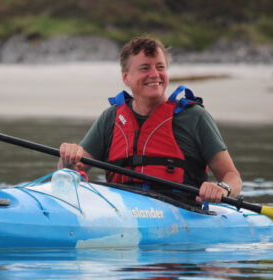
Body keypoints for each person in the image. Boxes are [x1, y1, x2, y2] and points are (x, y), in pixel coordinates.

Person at [58, 36, 241, 203]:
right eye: (145, 68)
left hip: (180, 210)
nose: (155, 75)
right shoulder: (111, 118)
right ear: (126, 77)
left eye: (160, 67)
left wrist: (221, 188)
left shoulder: (194, 117)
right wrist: (68, 160)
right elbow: (71, 172)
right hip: (120, 209)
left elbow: (232, 176)